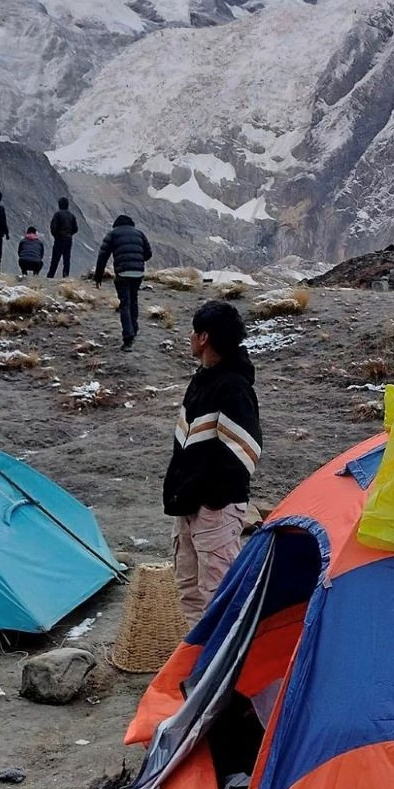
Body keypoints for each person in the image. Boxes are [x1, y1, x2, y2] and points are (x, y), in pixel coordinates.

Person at [164, 301, 261, 624]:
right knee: (189, 589)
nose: (190, 337)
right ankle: (197, 665)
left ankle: (226, 669)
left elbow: (244, 450)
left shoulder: (233, 386)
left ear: (204, 337)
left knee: (219, 595)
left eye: (194, 331)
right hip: (189, 504)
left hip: (213, 509)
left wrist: (212, 500)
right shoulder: (203, 380)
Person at [94, 214, 152, 351]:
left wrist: (98, 276)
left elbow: (103, 255)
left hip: (122, 272)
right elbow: (148, 254)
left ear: (116, 224)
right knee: (134, 300)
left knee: (124, 303)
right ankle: (134, 328)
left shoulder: (113, 234)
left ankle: (128, 337)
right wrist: (137, 259)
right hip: (138, 273)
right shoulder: (140, 234)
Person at [47, 197, 79, 279]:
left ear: (59, 205)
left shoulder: (57, 214)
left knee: (55, 260)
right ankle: (65, 277)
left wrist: (56, 235)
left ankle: (50, 276)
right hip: (68, 239)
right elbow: (76, 229)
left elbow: (53, 227)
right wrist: (70, 234)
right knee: (66, 260)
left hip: (59, 239)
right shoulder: (72, 216)